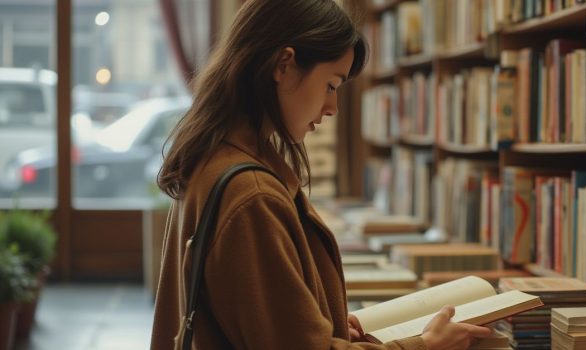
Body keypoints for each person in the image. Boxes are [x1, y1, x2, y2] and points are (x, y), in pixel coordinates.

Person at [150, 0, 492, 349]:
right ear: (284, 65)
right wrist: (425, 346)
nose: (333, 108)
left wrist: (316, 318)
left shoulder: (215, 156)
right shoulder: (251, 194)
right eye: (331, 85)